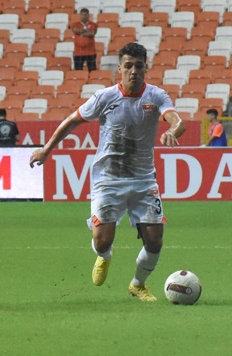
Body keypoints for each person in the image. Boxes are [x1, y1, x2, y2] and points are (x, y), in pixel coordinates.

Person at [29, 43, 186, 302]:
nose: (133, 71)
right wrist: (47, 150)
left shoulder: (156, 96)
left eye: (139, 66)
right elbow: (72, 120)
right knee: (102, 241)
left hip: (144, 180)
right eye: (128, 66)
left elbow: (177, 120)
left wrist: (173, 131)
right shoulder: (105, 97)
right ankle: (104, 256)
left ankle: (138, 284)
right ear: (120, 69)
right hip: (108, 179)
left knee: (155, 241)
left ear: (146, 68)